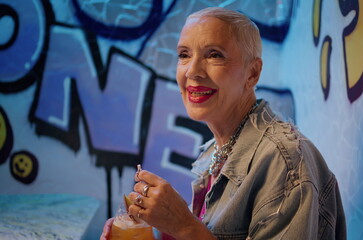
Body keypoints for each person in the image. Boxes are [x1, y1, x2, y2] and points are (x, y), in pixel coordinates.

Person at [101, 7, 346, 240]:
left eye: (214, 55)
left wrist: (184, 225)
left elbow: (193, 232)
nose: (192, 71)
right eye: (184, 55)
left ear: (252, 73)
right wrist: (151, 230)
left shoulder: (285, 160)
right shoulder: (217, 148)